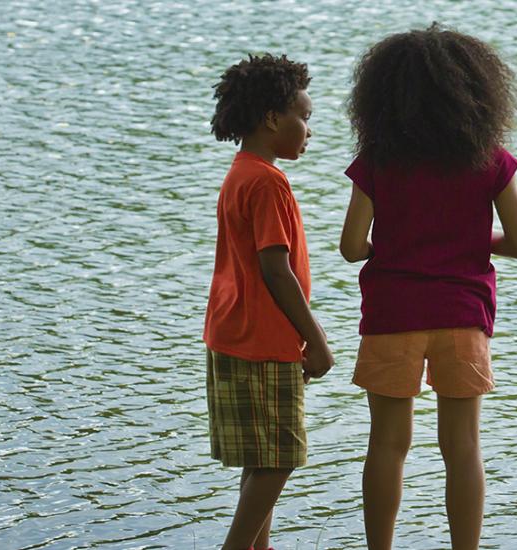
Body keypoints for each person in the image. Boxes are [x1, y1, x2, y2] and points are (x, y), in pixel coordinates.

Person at [336, 24, 517, 550]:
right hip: (462, 314)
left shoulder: (377, 160)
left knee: (387, 445)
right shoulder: (490, 159)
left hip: (392, 315)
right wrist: (471, 240)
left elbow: (353, 246)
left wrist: (393, 246)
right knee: (464, 447)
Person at [202, 53, 332, 550]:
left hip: (232, 332)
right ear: (273, 118)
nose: (308, 130)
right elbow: (274, 269)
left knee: (261, 459)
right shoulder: (268, 182)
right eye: (305, 117)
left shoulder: (242, 172)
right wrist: (315, 340)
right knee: (279, 458)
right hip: (264, 339)